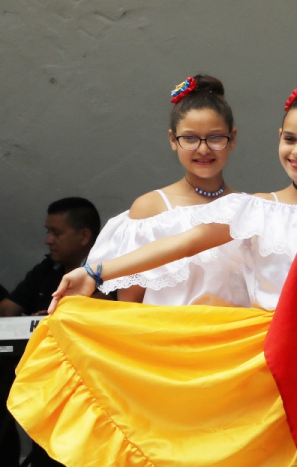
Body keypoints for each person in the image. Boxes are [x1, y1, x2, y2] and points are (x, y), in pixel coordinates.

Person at [53, 80, 297, 313]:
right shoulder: (257, 207)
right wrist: (96, 272)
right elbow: (186, 243)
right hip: (269, 348)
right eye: (290, 139)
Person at [84, 74, 250, 307]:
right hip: (165, 339)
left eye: (215, 138)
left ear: (232, 138)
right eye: (190, 138)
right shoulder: (151, 208)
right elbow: (130, 303)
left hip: (236, 339)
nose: (203, 149)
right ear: (173, 139)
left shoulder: (250, 207)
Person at [1, 197, 100, 316]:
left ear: (84, 236)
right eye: (48, 232)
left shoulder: (110, 274)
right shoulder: (46, 269)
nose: (48, 240)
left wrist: (57, 316)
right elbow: (6, 311)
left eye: (57, 234)